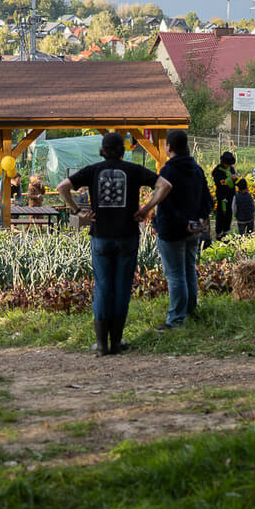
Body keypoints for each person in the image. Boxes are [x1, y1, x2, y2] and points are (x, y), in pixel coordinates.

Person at [57, 133, 158, 356]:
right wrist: (146, 208)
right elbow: (165, 185)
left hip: (101, 235)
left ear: (102, 150)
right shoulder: (133, 170)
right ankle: (117, 341)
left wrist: (77, 211)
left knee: (103, 286)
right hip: (127, 235)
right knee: (122, 287)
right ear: (123, 151)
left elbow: (62, 186)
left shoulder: (93, 170)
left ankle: (101, 344)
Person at [137, 129, 213, 330]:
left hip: (172, 231)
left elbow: (167, 205)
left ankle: (176, 319)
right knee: (189, 269)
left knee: (175, 274)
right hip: (193, 230)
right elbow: (208, 199)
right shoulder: (196, 169)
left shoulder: (168, 171)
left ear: (169, 147)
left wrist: (181, 222)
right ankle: (190, 311)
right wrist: (199, 219)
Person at [211, 151, 238, 239]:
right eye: (228, 164)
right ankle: (219, 232)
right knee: (221, 213)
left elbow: (234, 179)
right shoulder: (218, 171)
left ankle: (226, 230)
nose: (229, 166)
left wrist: (236, 178)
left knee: (229, 213)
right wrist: (230, 179)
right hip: (222, 196)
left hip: (230, 195)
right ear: (223, 162)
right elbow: (219, 182)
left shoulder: (231, 169)